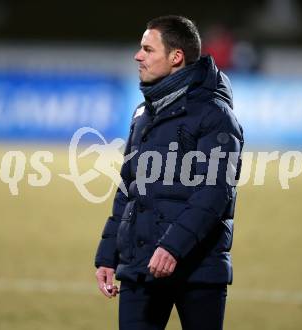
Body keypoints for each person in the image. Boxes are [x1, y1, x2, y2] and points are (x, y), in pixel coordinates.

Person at [94, 15, 244, 330]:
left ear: (176, 57)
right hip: (140, 266)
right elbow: (128, 188)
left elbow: (215, 192)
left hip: (198, 270)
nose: (138, 56)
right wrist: (109, 253)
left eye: (148, 49)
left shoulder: (215, 115)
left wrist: (172, 246)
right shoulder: (143, 113)